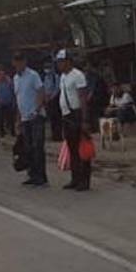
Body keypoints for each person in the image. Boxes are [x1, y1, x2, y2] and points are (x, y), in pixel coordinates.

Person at [56, 49, 92, 191]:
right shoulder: (63, 77)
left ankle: (84, 180)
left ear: (68, 62)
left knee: (82, 148)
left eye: (61, 62)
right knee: (72, 149)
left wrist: (84, 120)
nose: (59, 65)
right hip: (66, 115)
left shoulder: (78, 76)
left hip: (76, 114)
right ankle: (75, 178)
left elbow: (83, 98)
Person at [12, 52, 47, 186]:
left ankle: (41, 177)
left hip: (35, 116)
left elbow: (41, 91)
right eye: (16, 62)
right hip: (24, 117)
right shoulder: (15, 78)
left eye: (20, 61)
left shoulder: (33, 75)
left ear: (25, 62)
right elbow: (18, 99)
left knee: (37, 147)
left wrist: (37, 109)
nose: (18, 64)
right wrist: (18, 119)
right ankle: (32, 174)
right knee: (27, 148)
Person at [41, 60, 62, 142]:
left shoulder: (56, 77)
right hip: (47, 100)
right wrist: (45, 97)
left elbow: (57, 88)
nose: (47, 69)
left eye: (49, 67)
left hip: (54, 100)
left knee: (57, 119)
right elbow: (42, 88)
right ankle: (53, 135)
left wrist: (51, 97)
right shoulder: (44, 77)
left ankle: (58, 136)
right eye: (46, 67)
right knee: (51, 119)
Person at [0, 67, 16, 139]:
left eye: (3, 74)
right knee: (1, 119)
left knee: (11, 119)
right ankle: (1, 132)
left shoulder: (9, 82)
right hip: (1, 103)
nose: (2, 76)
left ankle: (12, 132)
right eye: (1, 74)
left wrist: (13, 101)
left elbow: (13, 92)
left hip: (9, 103)